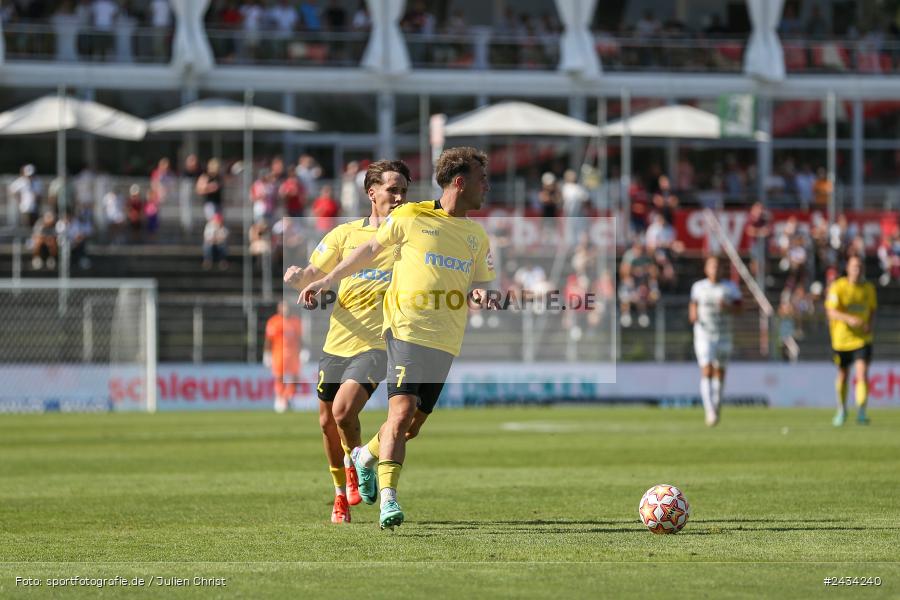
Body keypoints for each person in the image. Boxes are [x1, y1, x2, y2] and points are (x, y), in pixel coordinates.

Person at [300, 147, 496, 529]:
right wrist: (326, 280)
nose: (486, 186)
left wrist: (481, 295)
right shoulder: (411, 215)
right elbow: (369, 249)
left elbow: (480, 285)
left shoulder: (476, 236)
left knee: (410, 426)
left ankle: (363, 457)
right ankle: (389, 499)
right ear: (460, 181)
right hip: (404, 329)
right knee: (397, 412)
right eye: (481, 179)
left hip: (446, 340)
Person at [284, 159, 410, 524]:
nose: (400, 197)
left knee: (343, 411)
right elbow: (313, 273)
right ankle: (340, 492)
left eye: (404, 190)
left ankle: (359, 459)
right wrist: (297, 277)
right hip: (337, 342)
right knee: (326, 422)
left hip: (376, 343)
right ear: (372, 193)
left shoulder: (407, 237)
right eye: (392, 190)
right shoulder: (343, 235)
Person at [689, 256, 742, 427]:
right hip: (704, 334)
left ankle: (717, 403)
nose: (715, 270)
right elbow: (693, 307)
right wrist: (693, 315)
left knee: (720, 372)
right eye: (712, 266)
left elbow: (740, 309)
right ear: (706, 269)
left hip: (724, 335)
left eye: (718, 267)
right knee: (707, 369)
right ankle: (709, 410)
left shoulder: (730, 288)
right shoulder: (698, 287)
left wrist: (728, 308)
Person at [825, 255, 877, 426]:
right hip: (841, 340)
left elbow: (871, 310)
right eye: (854, 266)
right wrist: (849, 319)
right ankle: (842, 410)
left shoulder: (868, 288)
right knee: (843, 375)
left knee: (861, 373)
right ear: (847, 268)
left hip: (862, 339)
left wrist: (869, 324)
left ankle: (861, 411)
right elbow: (831, 312)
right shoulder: (838, 287)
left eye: (860, 266)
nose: (857, 270)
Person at [264, 300, 303, 414]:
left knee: (295, 378)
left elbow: (300, 338)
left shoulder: (295, 321)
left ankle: (288, 397)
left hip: (293, 354)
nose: (286, 309)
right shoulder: (273, 321)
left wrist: (303, 350)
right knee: (279, 377)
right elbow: (268, 340)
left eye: (287, 307)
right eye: (283, 307)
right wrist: (267, 354)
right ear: (279, 309)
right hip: (278, 353)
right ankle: (280, 398)